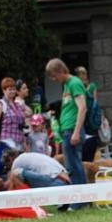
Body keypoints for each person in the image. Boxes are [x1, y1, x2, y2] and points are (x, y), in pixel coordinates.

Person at [45, 58, 89, 209]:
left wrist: (76, 132)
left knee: (73, 167)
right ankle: (82, 200)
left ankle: (78, 203)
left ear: (60, 71)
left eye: (54, 76)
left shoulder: (74, 83)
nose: (53, 79)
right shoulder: (67, 85)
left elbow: (82, 108)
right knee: (74, 166)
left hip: (72, 130)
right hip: (68, 129)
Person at [0, 77, 30, 149]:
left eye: (14, 89)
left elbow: (28, 116)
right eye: (10, 89)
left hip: (19, 142)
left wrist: (25, 142)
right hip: (6, 142)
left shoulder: (18, 105)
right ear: (4, 90)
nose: (12, 92)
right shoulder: (0, 105)